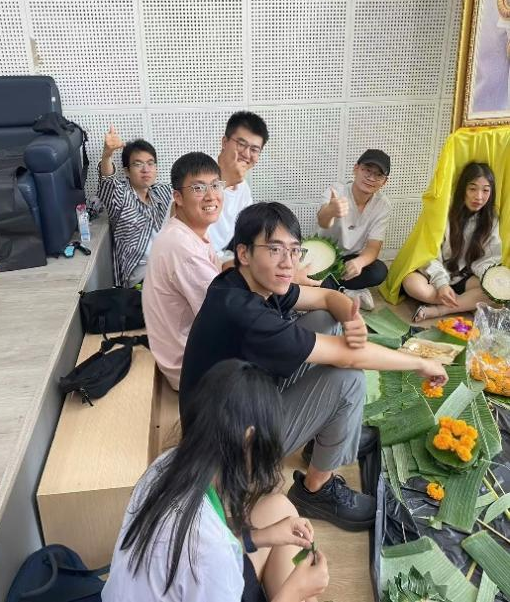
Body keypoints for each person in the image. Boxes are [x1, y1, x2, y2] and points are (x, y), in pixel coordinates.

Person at [180, 203, 448, 531]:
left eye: (294, 250)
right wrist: (420, 362)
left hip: (240, 403)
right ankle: (316, 490)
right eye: (274, 249)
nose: (287, 263)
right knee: (348, 379)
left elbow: (325, 299)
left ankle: (323, 432)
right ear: (244, 253)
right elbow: (349, 357)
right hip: (227, 450)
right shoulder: (245, 313)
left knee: (324, 319)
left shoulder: (243, 282)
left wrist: (350, 318)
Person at [102, 359, 330, 602]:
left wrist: (261, 537)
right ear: (248, 439)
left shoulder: (166, 463)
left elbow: (204, 550)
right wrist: (296, 591)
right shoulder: (211, 554)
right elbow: (209, 555)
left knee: (280, 508)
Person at [142, 153, 224, 390]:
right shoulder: (182, 248)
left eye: (215, 185)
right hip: (193, 369)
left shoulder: (186, 230)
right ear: (177, 197)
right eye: (198, 188)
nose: (211, 196)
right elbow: (226, 314)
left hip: (186, 355)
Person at [402, 162, 502, 322]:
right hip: (435, 275)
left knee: (496, 290)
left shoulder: (491, 219)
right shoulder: (443, 213)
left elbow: (488, 260)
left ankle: (439, 310)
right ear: (463, 189)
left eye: (485, 190)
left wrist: (489, 279)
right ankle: (466, 303)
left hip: (464, 277)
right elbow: (428, 254)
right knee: (411, 283)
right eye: (472, 189)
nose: (479, 197)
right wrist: (441, 284)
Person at [316, 149, 392, 311]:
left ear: (385, 181)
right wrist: (331, 210)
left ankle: (336, 289)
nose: (371, 178)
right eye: (367, 170)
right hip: (324, 255)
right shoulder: (336, 191)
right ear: (356, 169)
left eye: (378, 175)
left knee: (379, 271)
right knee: (312, 278)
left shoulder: (383, 205)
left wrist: (359, 262)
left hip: (350, 259)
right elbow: (322, 221)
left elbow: (373, 247)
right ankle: (346, 291)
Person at [98, 125, 171, 287]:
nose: (146, 169)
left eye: (150, 163)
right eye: (138, 164)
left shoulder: (163, 192)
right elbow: (108, 181)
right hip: (141, 277)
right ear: (126, 171)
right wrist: (107, 154)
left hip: (169, 267)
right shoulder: (121, 196)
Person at [209, 111, 269, 254]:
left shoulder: (243, 189)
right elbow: (179, 219)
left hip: (219, 257)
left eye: (254, 149)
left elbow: (247, 231)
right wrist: (226, 181)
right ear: (224, 142)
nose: (247, 154)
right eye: (241, 144)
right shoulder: (198, 173)